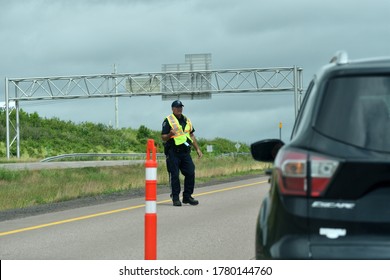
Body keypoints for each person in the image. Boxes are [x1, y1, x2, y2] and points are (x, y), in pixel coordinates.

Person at [161, 100, 203, 206]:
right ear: (173, 109)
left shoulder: (187, 120)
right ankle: (175, 198)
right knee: (174, 175)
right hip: (173, 152)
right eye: (177, 107)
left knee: (190, 172)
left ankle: (187, 196)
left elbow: (191, 135)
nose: (179, 109)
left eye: (181, 107)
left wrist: (197, 149)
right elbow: (163, 137)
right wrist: (170, 134)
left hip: (185, 152)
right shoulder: (168, 120)